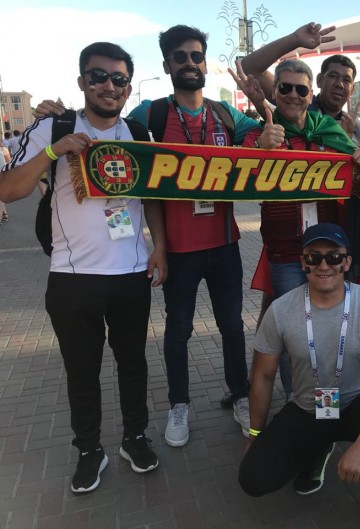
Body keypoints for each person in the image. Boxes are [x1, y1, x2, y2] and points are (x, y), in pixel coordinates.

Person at [0, 41, 165, 494]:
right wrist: (55, 152)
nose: (109, 86)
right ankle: (89, 449)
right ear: (82, 82)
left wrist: (161, 248)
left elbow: (152, 197)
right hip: (73, 279)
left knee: (133, 364)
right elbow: (8, 190)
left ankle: (135, 438)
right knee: (82, 371)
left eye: (119, 79)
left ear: (128, 87)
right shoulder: (53, 127)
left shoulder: (138, 133)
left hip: (131, 274)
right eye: (99, 76)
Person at [128, 25, 265, 446]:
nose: (190, 63)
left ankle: (240, 395)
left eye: (196, 56)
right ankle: (179, 405)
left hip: (225, 246)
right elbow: (108, 135)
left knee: (232, 327)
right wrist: (159, 248)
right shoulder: (149, 115)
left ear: (205, 63)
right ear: (167, 65)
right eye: (181, 57)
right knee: (178, 331)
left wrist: (263, 110)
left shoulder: (225, 115)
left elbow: (268, 132)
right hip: (180, 251)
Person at [239, 223, 360, 529]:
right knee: (253, 478)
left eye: (333, 256)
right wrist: (255, 434)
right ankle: (317, 448)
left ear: (346, 262)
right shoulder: (281, 310)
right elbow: (262, 376)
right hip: (309, 406)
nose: (323, 265)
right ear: (303, 263)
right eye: (313, 257)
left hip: (358, 401)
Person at [240, 58, 360, 411]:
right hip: (286, 256)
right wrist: (258, 149)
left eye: (301, 89)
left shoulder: (329, 132)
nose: (293, 95)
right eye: (285, 87)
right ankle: (298, 405)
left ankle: (329, 406)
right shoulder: (262, 133)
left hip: (328, 254)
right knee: (294, 336)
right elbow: (237, 179)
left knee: (328, 333)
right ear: (274, 91)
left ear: (309, 94)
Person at [241, 22, 360, 146]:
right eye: (333, 76)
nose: (339, 84)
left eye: (347, 80)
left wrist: (345, 139)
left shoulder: (354, 125)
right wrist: (295, 40)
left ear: (352, 90)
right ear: (319, 80)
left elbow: (356, 156)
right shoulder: (298, 103)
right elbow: (249, 66)